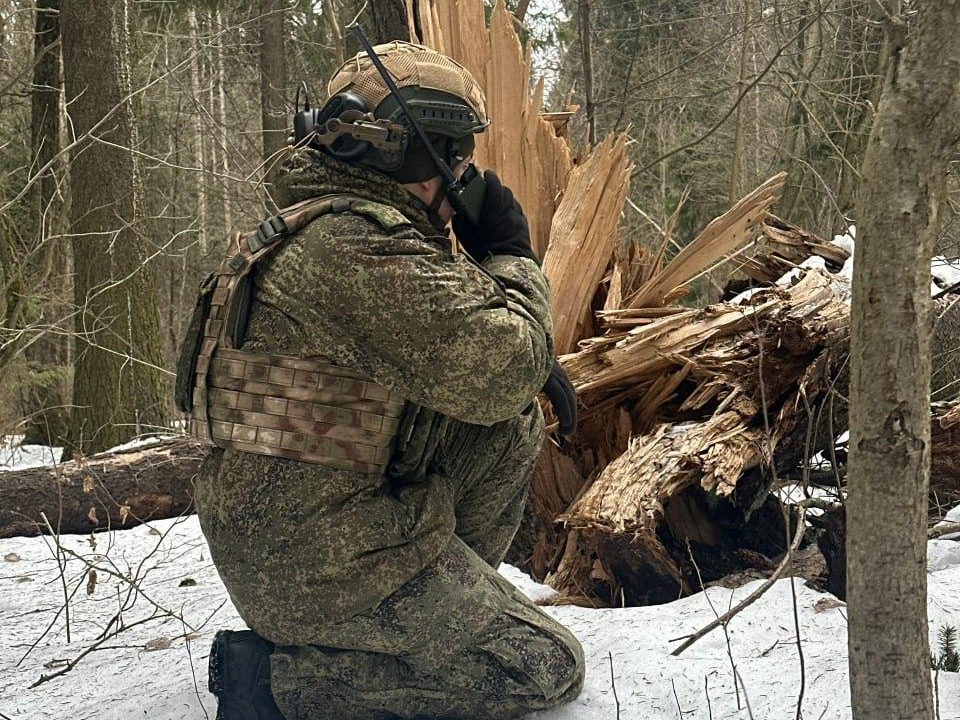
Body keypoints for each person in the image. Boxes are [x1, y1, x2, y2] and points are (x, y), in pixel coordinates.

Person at [186, 40, 584, 720]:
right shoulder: (354, 249)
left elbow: (483, 379)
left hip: (295, 533)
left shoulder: (328, 230)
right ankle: (277, 684)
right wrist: (513, 258)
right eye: (453, 156)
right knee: (543, 665)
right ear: (407, 155)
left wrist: (523, 357)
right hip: (314, 564)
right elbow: (501, 368)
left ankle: (435, 618)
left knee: (504, 425)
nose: (462, 177)